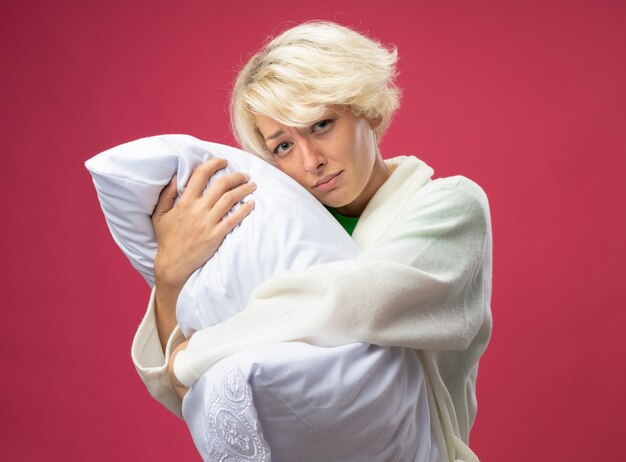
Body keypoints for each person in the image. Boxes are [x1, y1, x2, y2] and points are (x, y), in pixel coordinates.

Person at [132, 21, 492, 461]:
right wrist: (170, 278)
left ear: (370, 111)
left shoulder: (450, 206)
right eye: (282, 146)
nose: (310, 161)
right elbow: (200, 398)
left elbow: (353, 301)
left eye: (322, 124)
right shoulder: (280, 235)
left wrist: (196, 355)